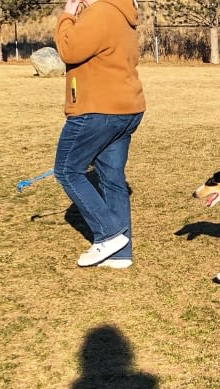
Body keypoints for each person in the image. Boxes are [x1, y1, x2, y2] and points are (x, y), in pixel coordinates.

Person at [53, 0, 145, 268]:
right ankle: (120, 254)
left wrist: (67, 17)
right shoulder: (122, 14)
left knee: (68, 170)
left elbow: (68, 50)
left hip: (97, 110)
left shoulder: (100, 12)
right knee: (112, 177)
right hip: (126, 108)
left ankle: (108, 234)